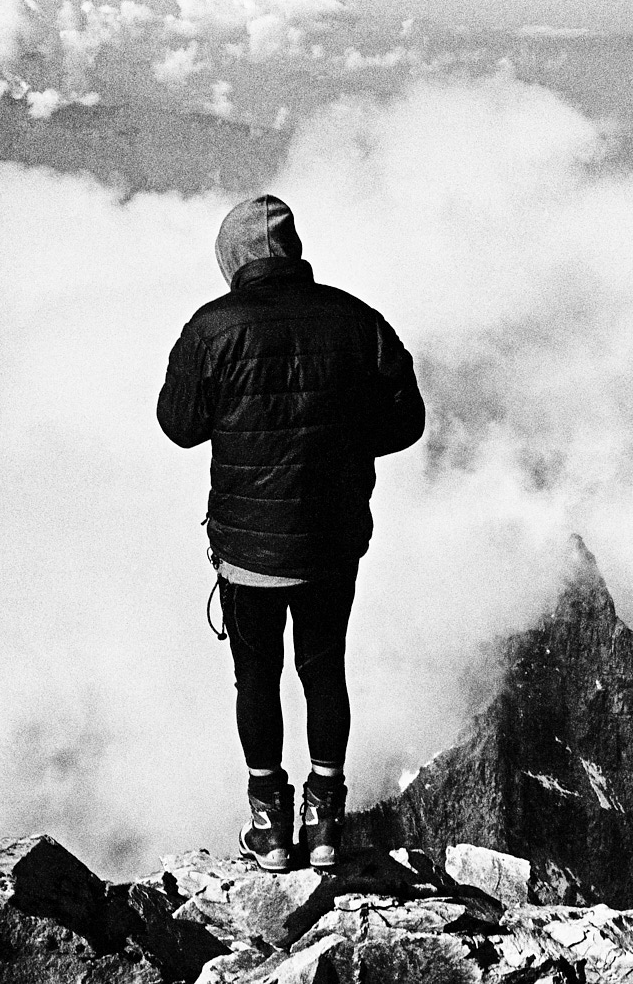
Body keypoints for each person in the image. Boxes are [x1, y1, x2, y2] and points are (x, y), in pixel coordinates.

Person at [157, 194, 424, 871]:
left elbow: (180, 424)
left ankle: (271, 828)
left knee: (257, 678)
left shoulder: (211, 329)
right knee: (323, 669)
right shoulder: (357, 320)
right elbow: (406, 420)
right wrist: (341, 440)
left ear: (234, 260)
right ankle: (326, 823)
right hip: (332, 542)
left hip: (247, 550)